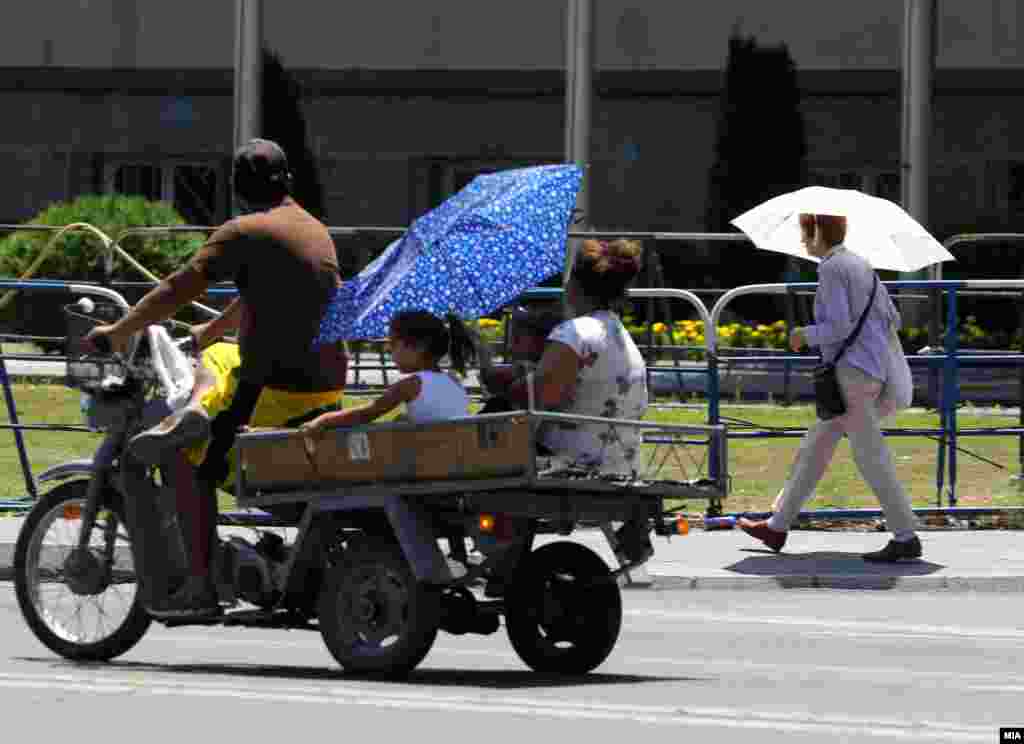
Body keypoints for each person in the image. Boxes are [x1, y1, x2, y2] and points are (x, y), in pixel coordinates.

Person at [83, 138, 348, 617]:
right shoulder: (311, 229)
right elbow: (267, 292)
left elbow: (177, 288)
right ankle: (199, 410)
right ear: (287, 181)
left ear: (237, 189)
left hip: (279, 388)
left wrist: (120, 329)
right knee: (222, 352)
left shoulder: (242, 230)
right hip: (326, 383)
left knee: (184, 456)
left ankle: (201, 588)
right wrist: (215, 328)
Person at [738, 213, 920, 563]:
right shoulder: (860, 264)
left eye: (806, 234)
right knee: (815, 449)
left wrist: (803, 335)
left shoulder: (833, 268)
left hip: (851, 375)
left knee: (870, 457)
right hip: (866, 371)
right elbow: (891, 317)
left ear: (818, 232)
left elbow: (836, 326)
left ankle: (905, 535)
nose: (803, 242)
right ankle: (777, 526)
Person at [483, 238, 648, 475]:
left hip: (576, 467)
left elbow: (534, 397)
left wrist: (490, 365)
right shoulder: (620, 333)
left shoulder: (574, 333)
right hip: (622, 466)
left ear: (575, 286)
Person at [301, 310, 474, 434]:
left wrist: (322, 420)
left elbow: (366, 413)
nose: (388, 349)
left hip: (432, 464)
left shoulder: (412, 384)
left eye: (393, 343)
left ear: (419, 347)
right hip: (457, 455)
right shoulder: (453, 380)